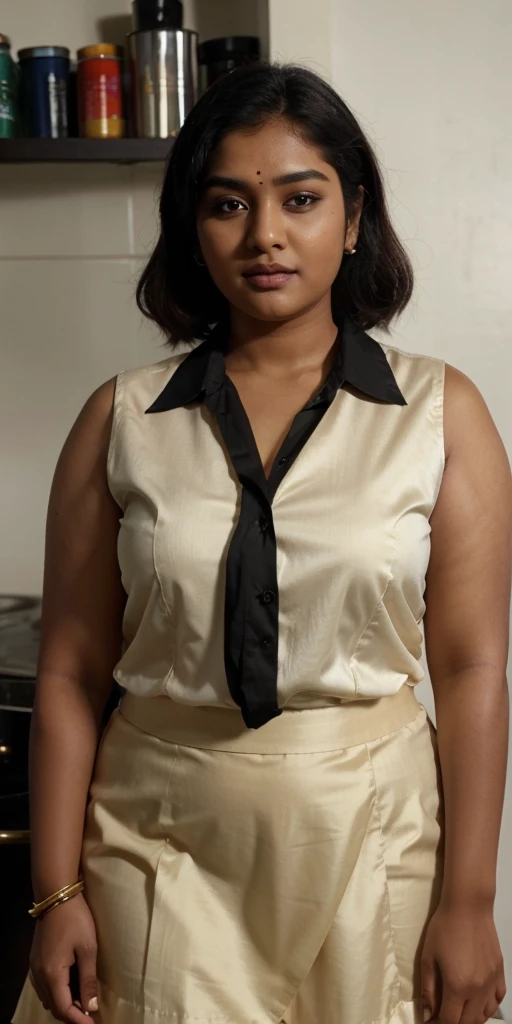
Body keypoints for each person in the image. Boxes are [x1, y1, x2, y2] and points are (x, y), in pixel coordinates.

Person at [12, 61, 510, 1024]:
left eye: (301, 199)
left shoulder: (442, 414)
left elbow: (473, 665)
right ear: (194, 232)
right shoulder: (119, 421)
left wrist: (471, 900)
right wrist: (56, 892)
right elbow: (71, 674)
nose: (266, 234)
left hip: (374, 838)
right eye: (229, 204)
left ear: (354, 218)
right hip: (156, 846)